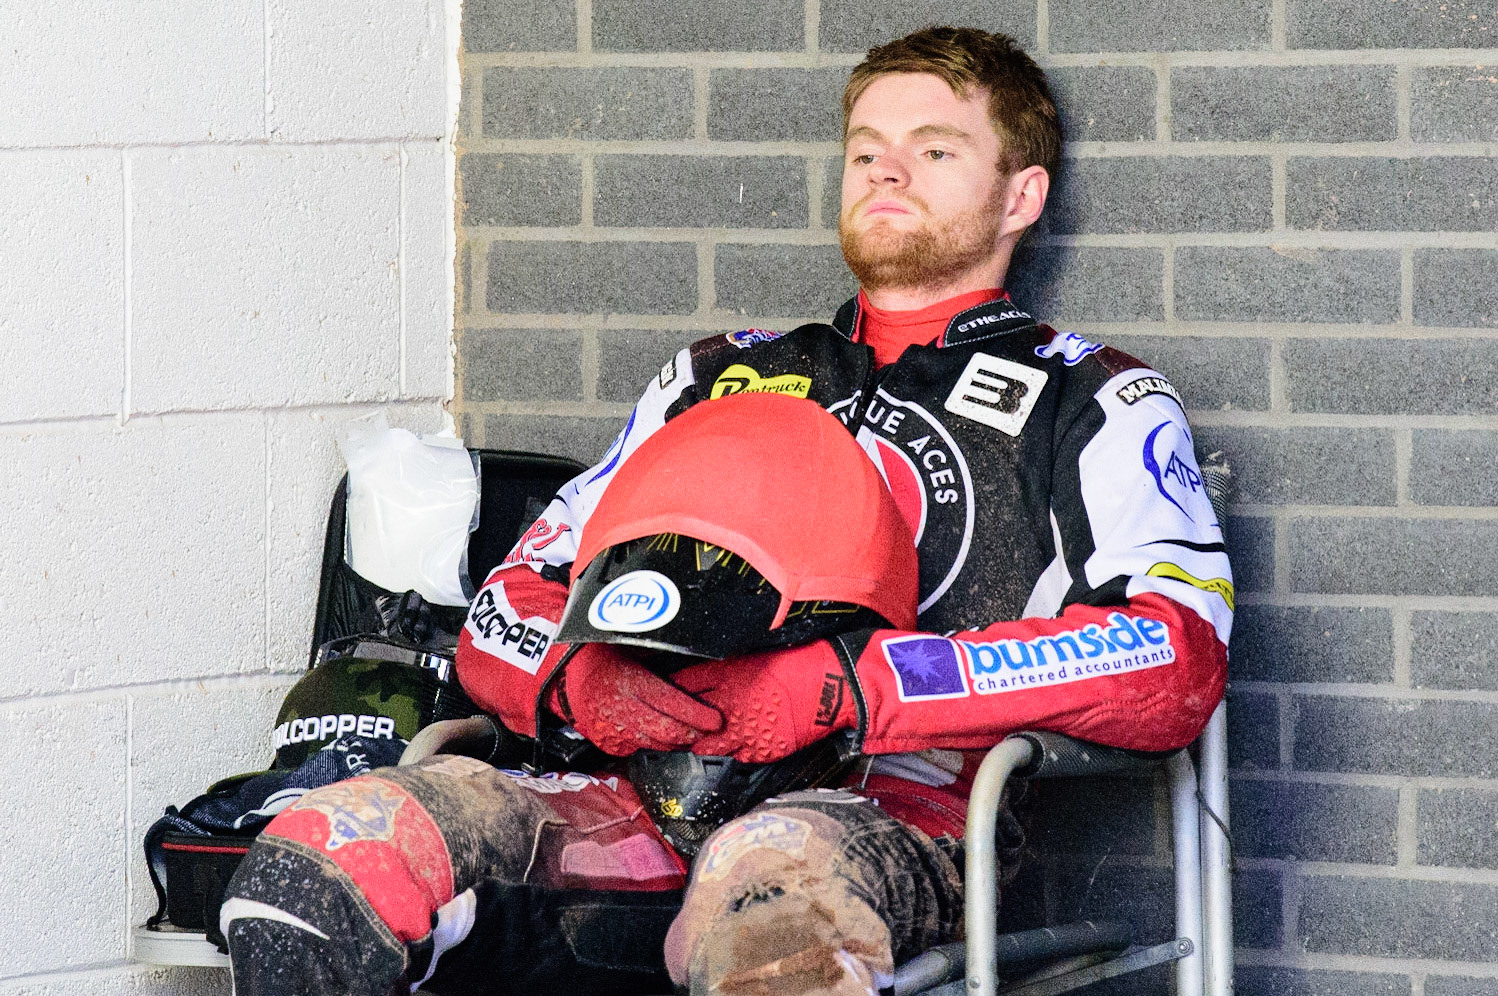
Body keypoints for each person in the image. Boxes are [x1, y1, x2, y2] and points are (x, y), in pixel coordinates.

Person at [221, 26, 1232, 996]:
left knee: (771, 935)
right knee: (321, 862)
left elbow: (1173, 654)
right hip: (628, 801)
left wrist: (852, 685)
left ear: (1021, 195)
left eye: (933, 149)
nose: (886, 172)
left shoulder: (1090, 397)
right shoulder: (717, 376)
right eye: (865, 150)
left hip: (890, 814)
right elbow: (507, 605)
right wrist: (580, 680)